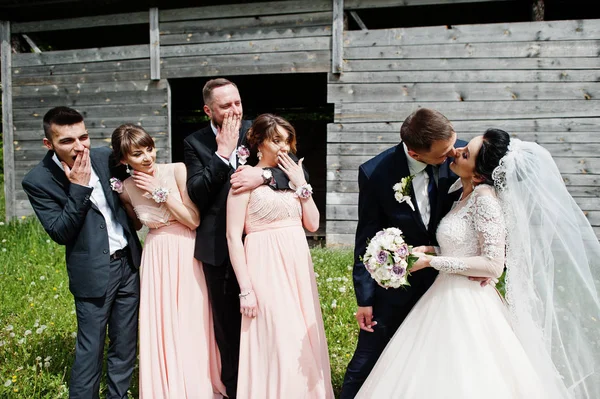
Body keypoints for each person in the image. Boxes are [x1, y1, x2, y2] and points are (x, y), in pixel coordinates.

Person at [355, 129, 600, 398]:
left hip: (468, 300)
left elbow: (493, 264)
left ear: (479, 173)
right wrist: (431, 249)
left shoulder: (485, 199)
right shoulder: (463, 194)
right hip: (442, 295)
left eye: (465, 153)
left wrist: (432, 261)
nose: (456, 152)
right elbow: (465, 246)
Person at [183, 78, 306, 398]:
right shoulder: (194, 142)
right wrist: (222, 155)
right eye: (226, 106)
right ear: (209, 110)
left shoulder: (257, 130)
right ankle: (237, 390)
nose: (235, 110)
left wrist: (263, 175)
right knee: (228, 330)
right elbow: (197, 194)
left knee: (273, 325)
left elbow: (288, 169)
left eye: (237, 103)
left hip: (263, 250)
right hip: (219, 248)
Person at [340, 108, 467, 398]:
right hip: (397, 283)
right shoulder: (375, 173)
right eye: (443, 153)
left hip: (448, 282)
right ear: (416, 153)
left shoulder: (461, 158)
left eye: (454, 145)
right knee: (368, 357)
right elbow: (366, 237)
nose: (453, 155)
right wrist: (365, 298)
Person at [21, 107, 142, 399]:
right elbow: (60, 233)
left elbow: (142, 165)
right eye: (67, 141)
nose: (79, 147)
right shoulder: (38, 180)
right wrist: (78, 188)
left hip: (128, 262)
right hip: (94, 272)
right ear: (48, 144)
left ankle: (118, 395)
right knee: (90, 349)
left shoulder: (104, 157)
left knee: (125, 344)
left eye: (83, 137)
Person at [111, 124, 225, 398]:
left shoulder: (176, 170)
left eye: (149, 149)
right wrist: (122, 198)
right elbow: (137, 223)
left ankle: (198, 383)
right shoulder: (126, 187)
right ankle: (166, 385)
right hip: (156, 253)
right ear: (124, 160)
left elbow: (193, 219)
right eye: (137, 154)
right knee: (161, 321)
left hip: (184, 248)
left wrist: (159, 192)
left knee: (190, 317)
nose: (147, 157)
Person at [226, 114, 334, 398]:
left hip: (297, 266)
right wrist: (246, 290)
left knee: (301, 338)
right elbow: (233, 238)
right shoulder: (243, 180)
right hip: (265, 268)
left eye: (287, 141)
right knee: (278, 338)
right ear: (258, 142)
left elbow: (312, 223)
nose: (284, 147)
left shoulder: (294, 177)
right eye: (276, 141)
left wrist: (301, 185)